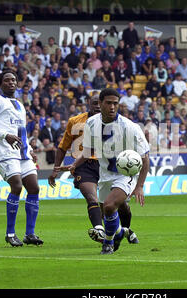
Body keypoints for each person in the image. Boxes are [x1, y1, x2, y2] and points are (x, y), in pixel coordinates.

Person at [57, 88, 150, 255]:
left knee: (108, 206)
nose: (112, 107)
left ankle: (108, 244)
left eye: (115, 103)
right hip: (105, 173)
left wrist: (140, 186)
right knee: (107, 212)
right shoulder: (92, 123)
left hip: (126, 174)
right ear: (100, 104)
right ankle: (121, 232)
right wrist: (74, 165)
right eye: (108, 103)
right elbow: (88, 150)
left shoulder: (130, 127)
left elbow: (145, 158)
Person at [0, 69, 43, 247]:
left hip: (21, 153)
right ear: (0, 84)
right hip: (5, 152)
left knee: (34, 188)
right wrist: (5, 135)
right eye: (7, 80)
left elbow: (21, 131)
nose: (11, 82)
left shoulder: (19, 105)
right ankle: (10, 233)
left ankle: (29, 234)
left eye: (14, 80)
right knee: (16, 186)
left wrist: (29, 148)